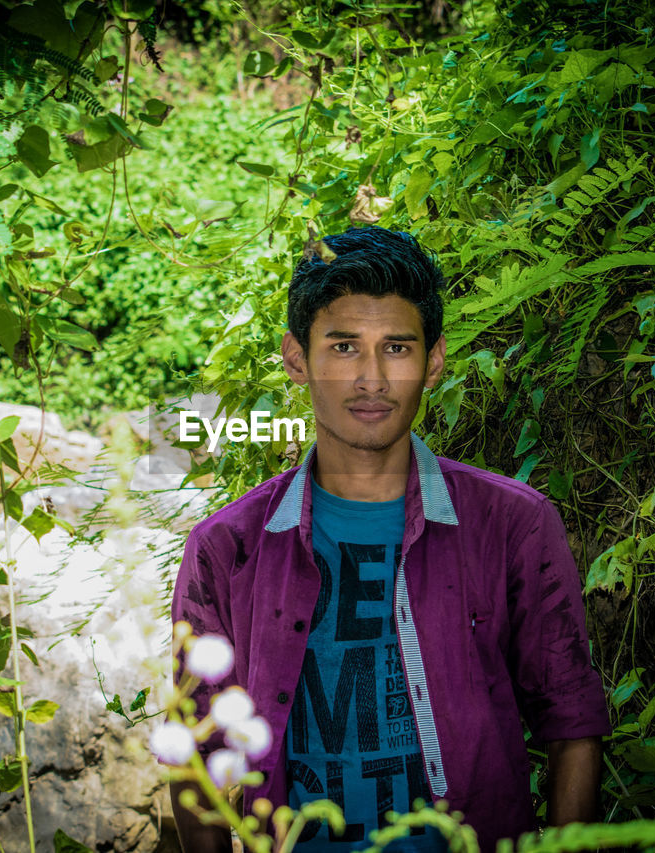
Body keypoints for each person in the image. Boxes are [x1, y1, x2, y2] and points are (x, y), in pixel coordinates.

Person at [168, 226, 610, 853]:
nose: (372, 378)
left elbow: (572, 724)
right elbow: (200, 753)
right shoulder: (230, 546)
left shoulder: (512, 524)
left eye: (397, 348)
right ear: (298, 359)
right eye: (344, 346)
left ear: (433, 362)